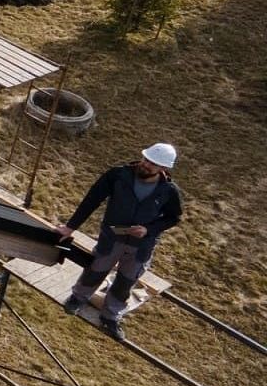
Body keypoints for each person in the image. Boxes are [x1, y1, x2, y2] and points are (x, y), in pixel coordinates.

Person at [55, 143, 183, 341]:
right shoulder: (117, 175)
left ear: (164, 169)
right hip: (112, 238)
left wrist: (149, 229)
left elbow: (173, 218)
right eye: (146, 159)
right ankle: (78, 298)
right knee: (96, 268)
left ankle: (110, 316)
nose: (146, 165)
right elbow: (92, 199)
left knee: (126, 281)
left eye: (153, 164)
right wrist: (71, 227)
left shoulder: (169, 191)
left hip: (141, 246)